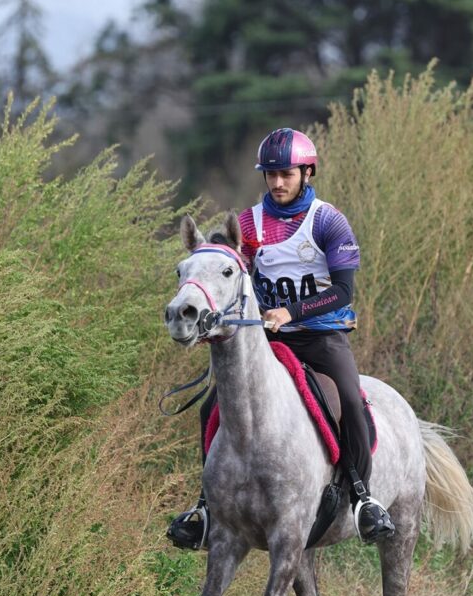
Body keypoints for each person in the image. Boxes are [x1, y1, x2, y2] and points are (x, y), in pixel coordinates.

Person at [168, 127, 395, 549]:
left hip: (322, 338)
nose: (276, 182)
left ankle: (364, 499)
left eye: (286, 173)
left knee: (349, 399)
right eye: (270, 174)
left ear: (307, 172)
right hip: (268, 342)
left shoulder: (329, 221)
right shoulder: (250, 225)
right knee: (212, 409)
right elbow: (226, 275)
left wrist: (291, 312)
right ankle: (205, 509)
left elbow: (343, 292)